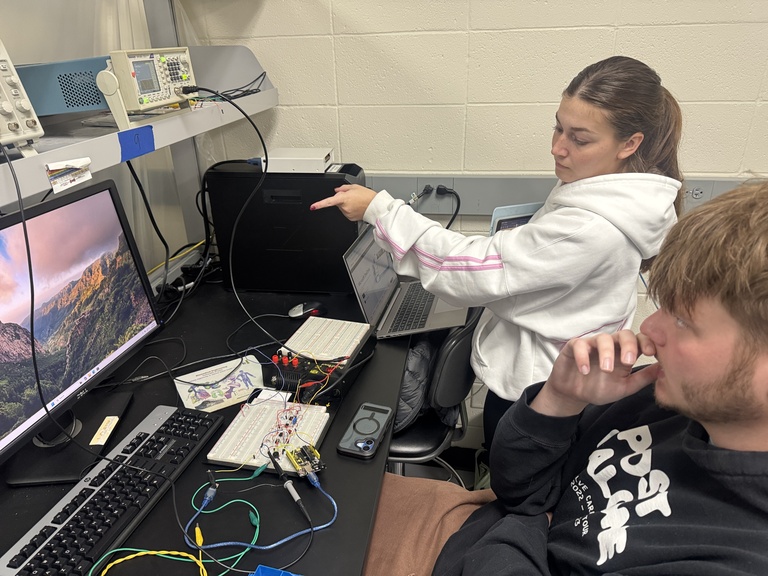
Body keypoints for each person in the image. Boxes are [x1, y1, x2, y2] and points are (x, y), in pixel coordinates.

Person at [361, 180, 768, 575]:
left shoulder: (740, 552)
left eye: (683, 320)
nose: (652, 328)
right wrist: (559, 400)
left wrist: (527, 519)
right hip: (476, 527)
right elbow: (517, 488)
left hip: (481, 545)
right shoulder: (663, 401)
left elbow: (523, 507)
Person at [311, 55, 684, 448]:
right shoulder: (616, 194)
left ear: (630, 143)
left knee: (515, 490)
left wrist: (379, 210)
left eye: (580, 138)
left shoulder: (592, 225)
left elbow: (470, 270)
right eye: (558, 126)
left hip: (539, 392)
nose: (558, 147)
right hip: (561, 380)